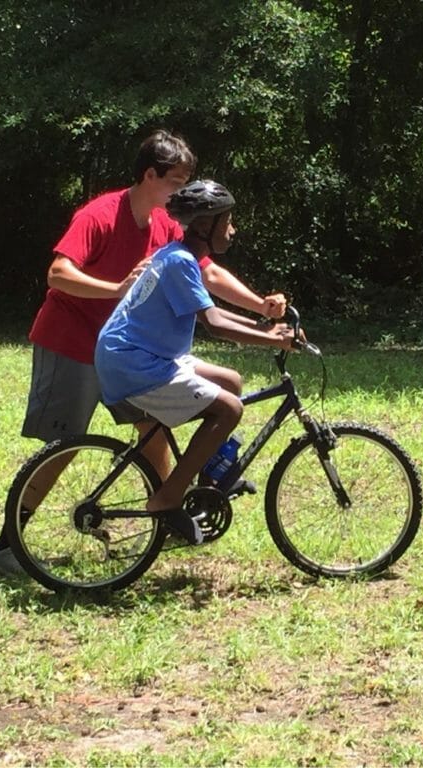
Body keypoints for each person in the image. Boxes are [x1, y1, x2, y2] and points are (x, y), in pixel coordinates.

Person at [0, 133, 287, 573]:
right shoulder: (102, 214)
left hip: (135, 349)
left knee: (154, 430)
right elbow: (58, 274)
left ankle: (163, 513)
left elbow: (209, 273)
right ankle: (7, 545)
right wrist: (116, 288)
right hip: (73, 341)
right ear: (150, 175)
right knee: (66, 444)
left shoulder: (167, 225)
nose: (182, 191)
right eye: (177, 181)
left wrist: (259, 306)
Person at [95, 180, 297, 544]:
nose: (232, 230)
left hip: (140, 355)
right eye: (228, 221)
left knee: (230, 381)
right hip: (135, 363)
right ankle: (168, 499)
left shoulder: (177, 256)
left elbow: (210, 311)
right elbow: (215, 325)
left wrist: (263, 325)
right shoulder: (179, 262)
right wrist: (272, 339)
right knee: (229, 409)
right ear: (206, 226)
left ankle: (212, 482)